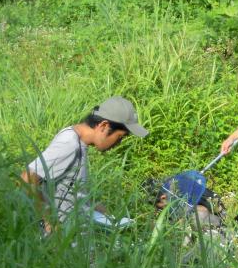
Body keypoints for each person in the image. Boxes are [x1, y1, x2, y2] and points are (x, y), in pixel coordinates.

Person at [20, 96, 148, 234]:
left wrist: (113, 219)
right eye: (120, 137)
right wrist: (50, 222)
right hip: (63, 240)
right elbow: (26, 179)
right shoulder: (69, 144)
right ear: (104, 126)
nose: (119, 144)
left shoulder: (79, 143)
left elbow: (80, 196)